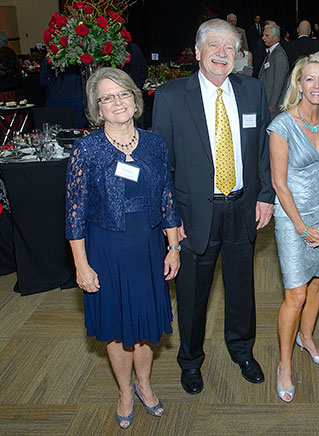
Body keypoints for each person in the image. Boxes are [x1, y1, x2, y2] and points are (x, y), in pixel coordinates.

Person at [152, 18, 274, 394]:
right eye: (214, 46)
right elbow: (162, 165)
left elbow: (263, 151)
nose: (223, 54)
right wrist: (171, 219)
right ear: (198, 52)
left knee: (242, 287)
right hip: (193, 215)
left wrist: (265, 195)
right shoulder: (171, 96)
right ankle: (190, 361)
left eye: (229, 47)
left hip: (242, 208)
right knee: (192, 294)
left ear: (238, 54)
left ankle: (242, 350)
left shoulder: (252, 90)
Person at [65, 67, 181, 429]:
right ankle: (125, 392)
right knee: (116, 326)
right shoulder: (87, 150)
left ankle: (145, 386)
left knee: (145, 325)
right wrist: (82, 266)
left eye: (123, 94)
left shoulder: (153, 142)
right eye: (107, 97)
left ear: (135, 99)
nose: (117, 102)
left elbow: (167, 197)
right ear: (97, 109)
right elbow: (74, 215)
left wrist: (173, 246)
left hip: (147, 246)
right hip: (106, 249)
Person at [268, 54, 319, 402]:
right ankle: (284, 364)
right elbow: (279, 184)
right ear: (298, 84)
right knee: (295, 294)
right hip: (291, 216)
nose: (316, 86)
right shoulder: (282, 124)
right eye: (309, 79)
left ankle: (307, 337)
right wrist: (302, 228)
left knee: (317, 284)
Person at [259, 23, 290, 116]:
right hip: (268, 100)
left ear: (275, 37)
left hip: (274, 104)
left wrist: (272, 104)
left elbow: (279, 82)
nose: (263, 38)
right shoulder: (272, 52)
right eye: (263, 35)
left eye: (266, 35)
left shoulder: (279, 55)